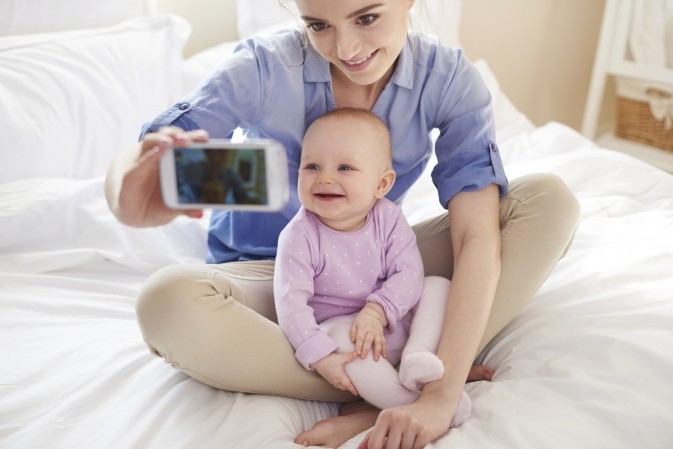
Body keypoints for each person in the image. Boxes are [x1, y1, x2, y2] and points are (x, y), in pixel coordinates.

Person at [104, 0, 581, 447]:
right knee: (167, 302)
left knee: (547, 202)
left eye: (367, 18)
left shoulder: (450, 80)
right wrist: (130, 193)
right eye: (319, 25)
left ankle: (419, 382)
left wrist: (441, 397)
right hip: (267, 287)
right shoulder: (264, 68)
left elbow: (475, 235)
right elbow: (149, 157)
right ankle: (386, 389)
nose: (346, 50)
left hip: (370, 276)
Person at [274, 109, 477, 424]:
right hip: (349, 339)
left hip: (394, 324)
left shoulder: (389, 218)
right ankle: (406, 401)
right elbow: (290, 304)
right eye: (312, 166)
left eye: (345, 167)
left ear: (382, 184)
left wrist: (378, 311)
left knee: (438, 285)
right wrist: (321, 357)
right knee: (340, 333)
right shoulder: (299, 236)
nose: (325, 177)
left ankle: (416, 358)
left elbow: (409, 273)